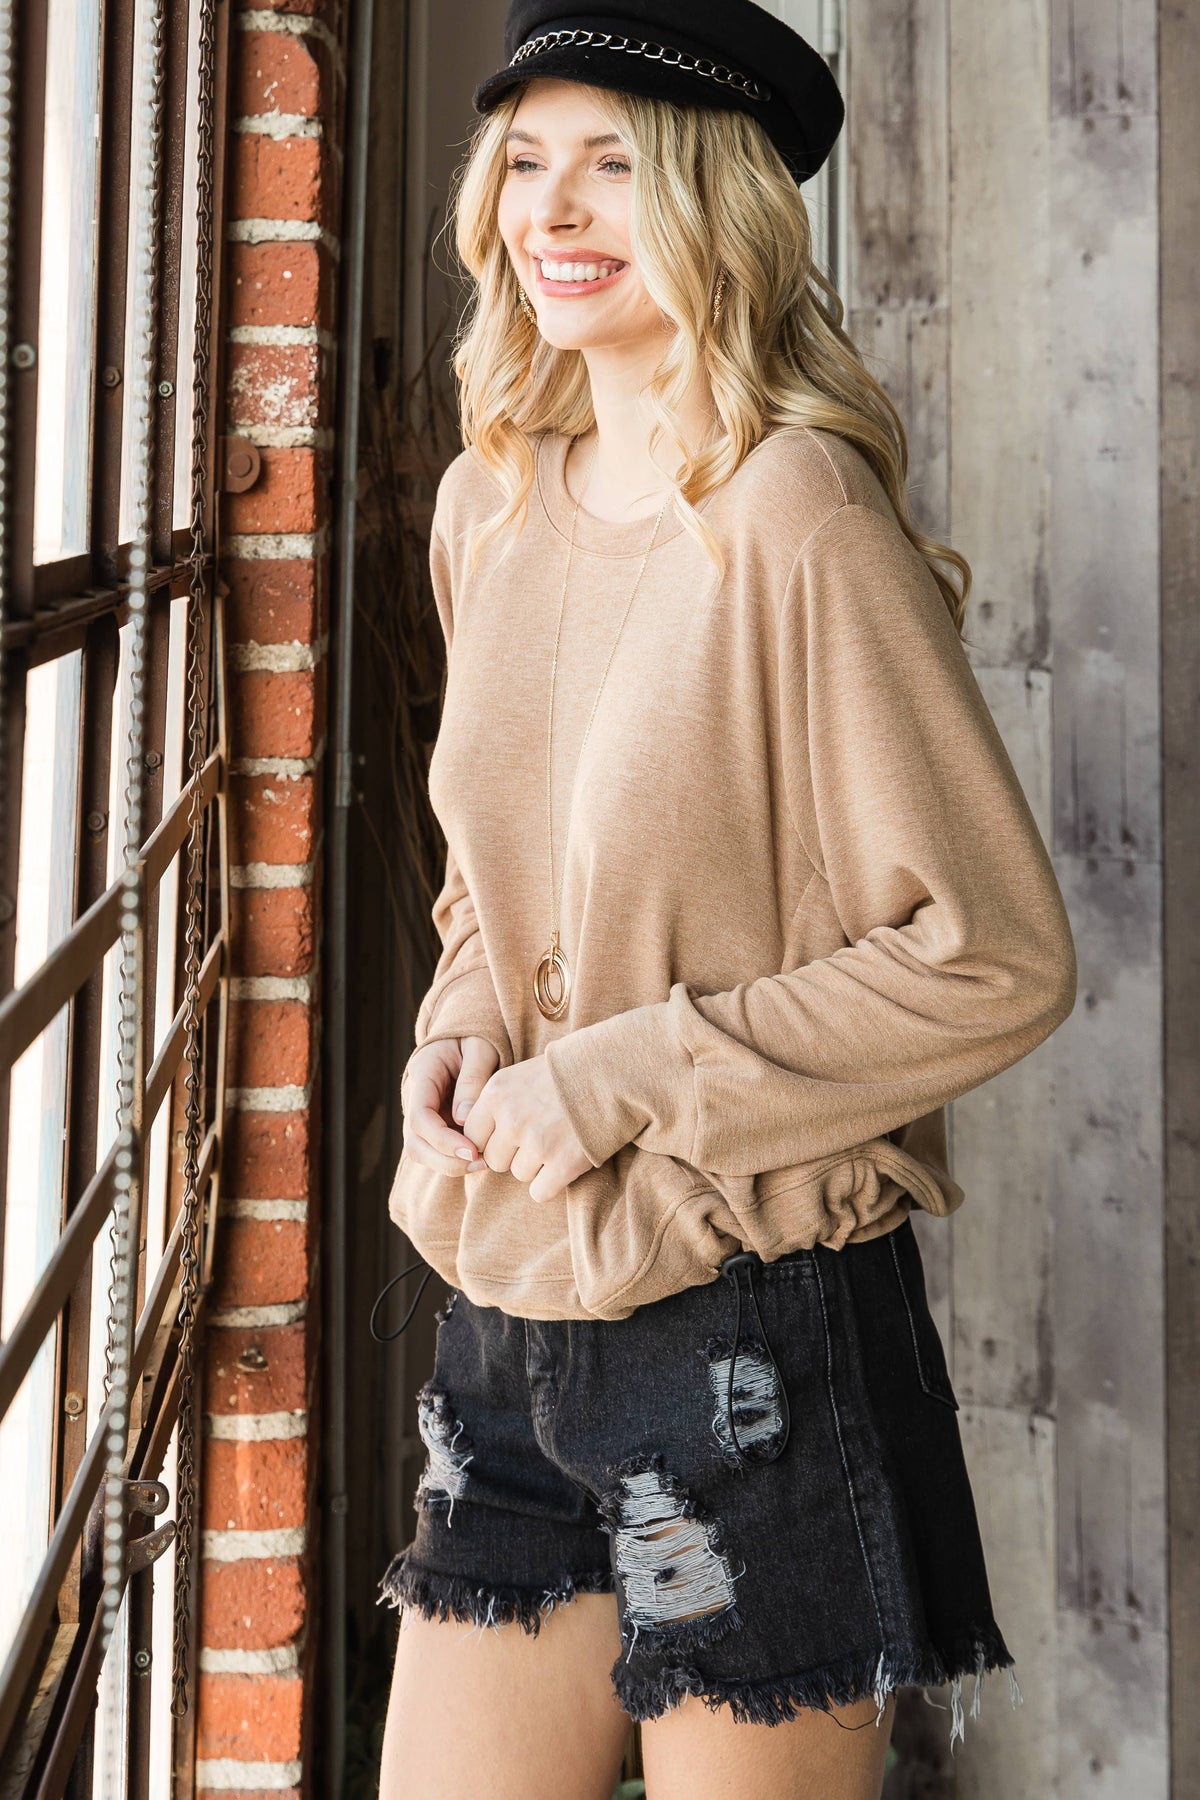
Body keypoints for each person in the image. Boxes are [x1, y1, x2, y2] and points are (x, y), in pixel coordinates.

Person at [375, 5, 1077, 1797]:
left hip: (753, 1337)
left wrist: (615, 1076)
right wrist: (466, 1026)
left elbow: (993, 957)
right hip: (511, 1309)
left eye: (614, 163)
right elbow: (497, 875)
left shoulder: (793, 514)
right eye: (527, 162)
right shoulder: (487, 504)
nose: (554, 209)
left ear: (713, 202)